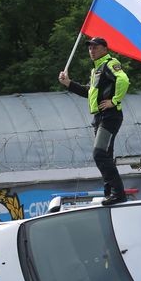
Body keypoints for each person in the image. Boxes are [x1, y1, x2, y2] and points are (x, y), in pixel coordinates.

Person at [58, 37, 130, 206]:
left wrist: (115, 101)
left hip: (110, 115)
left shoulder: (110, 63)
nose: (92, 50)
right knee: (106, 156)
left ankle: (118, 194)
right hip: (99, 117)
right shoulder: (96, 70)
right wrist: (68, 83)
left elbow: (124, 80)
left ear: (105, 49)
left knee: (99, 154)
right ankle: (110, 194)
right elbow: (89, 92)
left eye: (95, 47)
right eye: (90, 48)